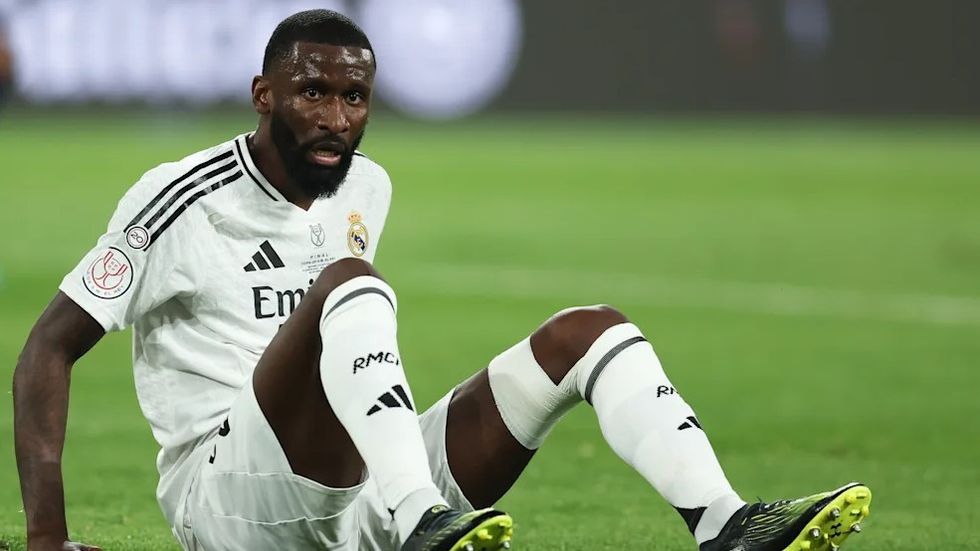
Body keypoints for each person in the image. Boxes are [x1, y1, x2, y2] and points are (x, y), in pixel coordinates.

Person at [13, 9, 872, 551]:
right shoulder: (180, 199)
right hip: (226, 502)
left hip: (354, 494)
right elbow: (47, 348)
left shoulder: (366, 188)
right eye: (313, 93)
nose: (337, 118)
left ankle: (723, 521)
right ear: (263, 95)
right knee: (350, 282)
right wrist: (47, 536)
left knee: (590, 332)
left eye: (355, 98)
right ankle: (424, 519)